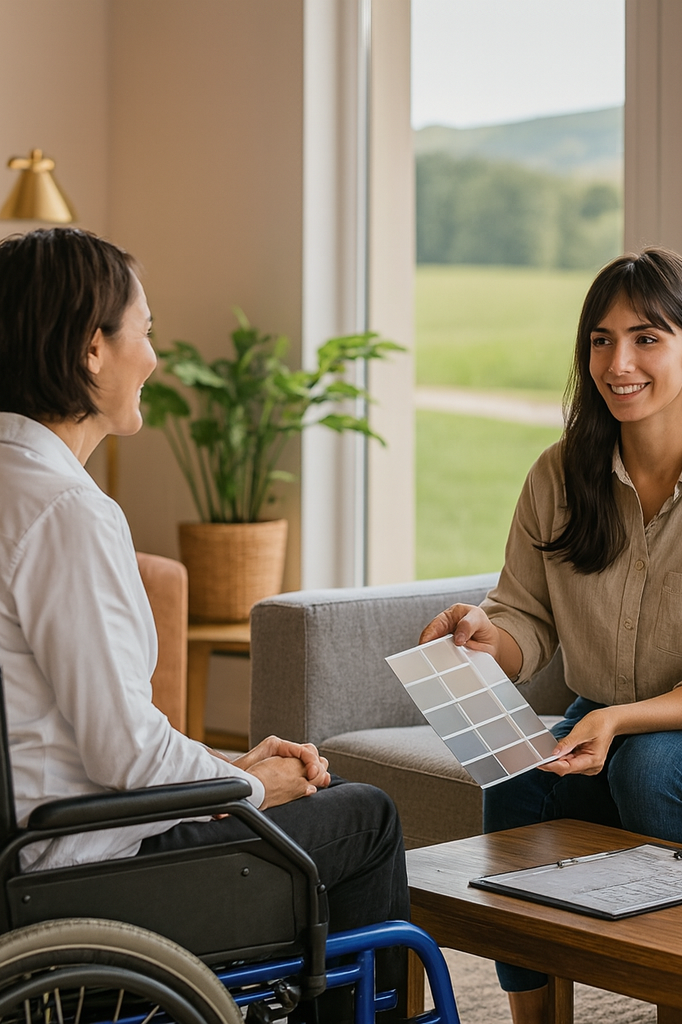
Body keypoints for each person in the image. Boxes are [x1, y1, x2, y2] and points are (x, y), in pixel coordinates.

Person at [0, 226, 408, 1022]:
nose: (153, 357)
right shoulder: (66, 513)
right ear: (92, 350)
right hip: (79, 876)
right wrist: (257, 784)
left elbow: (83, 736)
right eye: (144, 332)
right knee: (366, 816)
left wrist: (224, 765)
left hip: (31, 853)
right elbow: (122, 755)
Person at [419, 246, 682, 1024]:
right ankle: (535, 1016)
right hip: (601, 717)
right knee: (515, 772)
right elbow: (524, 617)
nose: (618, 361)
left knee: (650, 764)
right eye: (601, 340)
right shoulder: (559, 474)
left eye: (646, 338)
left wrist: (617, 720)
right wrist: (479, 635)